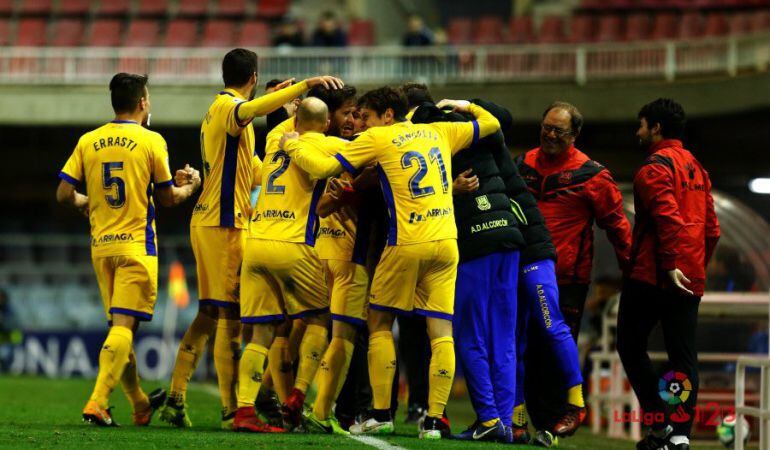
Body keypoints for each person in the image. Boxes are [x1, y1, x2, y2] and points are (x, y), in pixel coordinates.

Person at [280, 86, 501, 439]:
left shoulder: (380, 138)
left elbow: (322, 167)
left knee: (379, 321)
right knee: (440, 330)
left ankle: (382, 412)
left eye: (365, 116)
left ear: (386, 115)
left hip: (406, 242)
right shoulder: (441, 130)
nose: (361, 123)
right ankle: (432, 421)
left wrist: (291, 142)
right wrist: (465, 104)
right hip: (446, 243)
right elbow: (491, 122)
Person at [159, 48, 332, 430]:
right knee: (230, 316)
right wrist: (303, 87)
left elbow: (258, 173)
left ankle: (175, 396)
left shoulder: (221, 115)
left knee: (209, 313)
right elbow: (248, 111)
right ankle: (229, 410)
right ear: (253, 77)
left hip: (211, 221)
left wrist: (288, 133)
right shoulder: (229, 107)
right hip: (223, 223)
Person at [56, 72, 201, 426]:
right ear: (142, 102)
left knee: (122, 330)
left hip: (101, 248)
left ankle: (138, 403)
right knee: (124, 327)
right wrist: (191, 187)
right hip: (136, 246)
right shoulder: (151, 140)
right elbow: (167, 197)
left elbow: (63, 194)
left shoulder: (89, 140)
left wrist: (86, 201)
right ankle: (96, 402)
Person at [410, 91, 552, 443]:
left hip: (475, 243)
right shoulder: (481, 131)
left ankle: (488, 417)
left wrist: (451, 192)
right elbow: (502, 115)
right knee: (503, 337)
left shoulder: (434, 143)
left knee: (470, 335)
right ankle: (503, 420)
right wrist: (466, 104)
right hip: (509, 238)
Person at [515, 101, 631, 439]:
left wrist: (633, 272)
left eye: (559, 131)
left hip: (567, 280)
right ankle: (524, 419)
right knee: (522, 347)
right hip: (521, 273)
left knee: (552, 350)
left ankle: (557, 418)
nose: (550, 134)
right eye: (546, 127)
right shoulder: (522, 164)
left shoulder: (593, 176)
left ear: (575, 134)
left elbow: (618, 226)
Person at [234, 91, 344, 433]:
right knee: (320, 317)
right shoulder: (327, 145)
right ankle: (297, 396)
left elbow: (289, 128)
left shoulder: (274, 139)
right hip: (294, 242)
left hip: (256, 242)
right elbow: (326, 168)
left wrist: (290, 112)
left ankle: (244, 411)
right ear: (327, 124)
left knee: (261, 332)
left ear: (295, 120)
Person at [617, 98, 720, 450]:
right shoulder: (699, 169)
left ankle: (658, 421)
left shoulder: (652, 169)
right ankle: (679, 436)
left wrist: (672, 262)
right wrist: (695, 269)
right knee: (683, 356)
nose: (638, 132)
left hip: (652, 274)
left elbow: (667, 217)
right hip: (689, 276)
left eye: (642, 125)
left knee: (630, 345)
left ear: (656, 128)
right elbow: (713, 230)